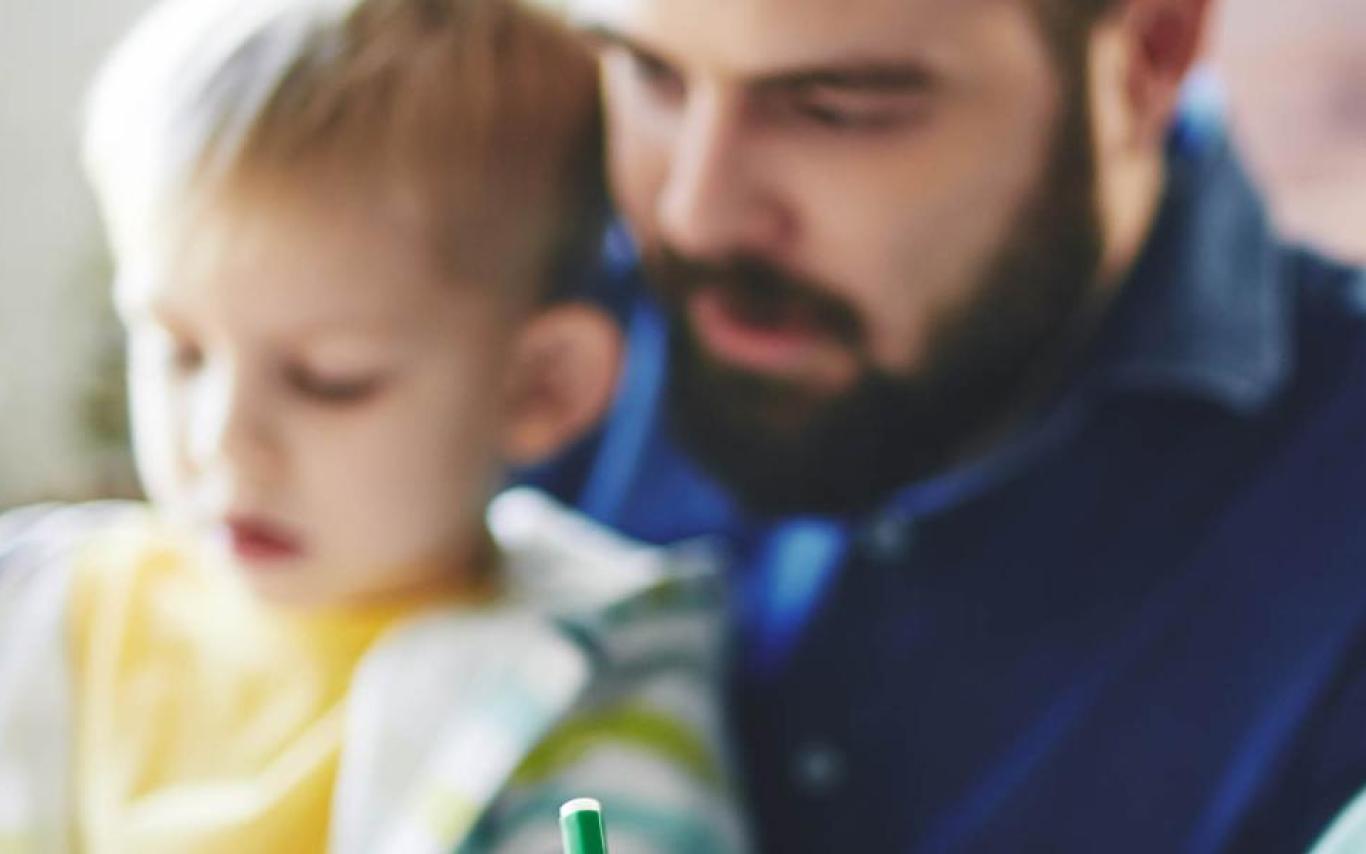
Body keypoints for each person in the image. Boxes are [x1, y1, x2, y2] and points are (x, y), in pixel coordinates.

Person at [527, 0, 1366, 850]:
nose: (693, 214)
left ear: (1152, 50)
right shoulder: (507, 305)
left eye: (838, 107)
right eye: (649, 75)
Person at [0, 0, 748, 850]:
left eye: (330, 381)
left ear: (540, 387)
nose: (221, 441)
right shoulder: (39, 611)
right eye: (179, 351)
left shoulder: (597, 690)